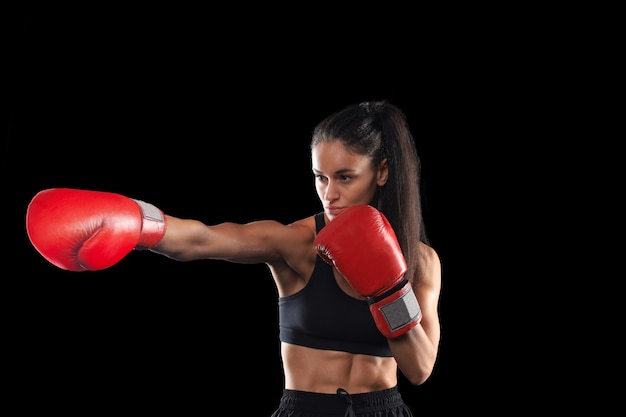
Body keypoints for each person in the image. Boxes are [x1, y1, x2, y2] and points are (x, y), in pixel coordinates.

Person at [26, 100, 442, 417]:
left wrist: (387, 288)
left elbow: (420, 370)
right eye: (320, 177)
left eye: (345, 177)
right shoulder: (294, 243)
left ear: (382, 172)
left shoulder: (420, 261)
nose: (329, 194)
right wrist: (138, 223)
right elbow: (206, 239)